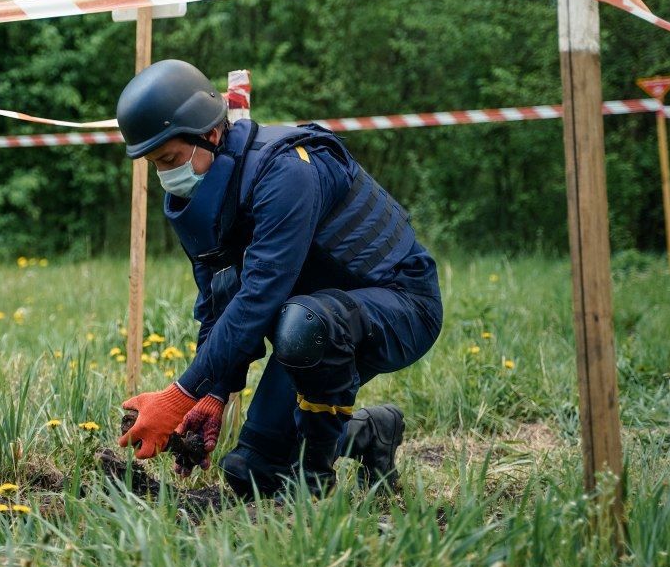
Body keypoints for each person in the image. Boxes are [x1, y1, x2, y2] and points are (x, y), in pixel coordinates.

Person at [114, 59, 443, 495]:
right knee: (251, 471)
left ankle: (314, 486)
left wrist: (180, 394)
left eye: (170, 159)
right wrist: (213, 394)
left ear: (209, 135)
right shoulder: (200, 199)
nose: (165, 175)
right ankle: (371, 433)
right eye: (155, 164)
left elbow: (259, 296)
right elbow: (218, 302)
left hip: (401, 306)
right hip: (316, 318)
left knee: (303, 323)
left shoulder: (286, 172)